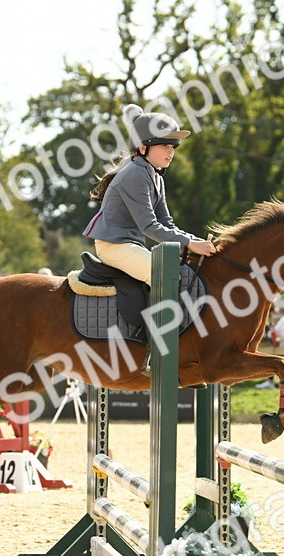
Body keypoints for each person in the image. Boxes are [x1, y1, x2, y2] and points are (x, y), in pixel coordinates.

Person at [83, 104, 216, 374]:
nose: (171, 151)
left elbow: (167, 224)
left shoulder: (154, 176)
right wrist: (190, 243)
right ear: (143, 147)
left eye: (173, 147)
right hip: (114, 246)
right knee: (167, 277)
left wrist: (196, 241)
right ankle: (155, 352)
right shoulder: (134, 174)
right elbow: (150, 227)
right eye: (164, 145)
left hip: (129, 244)